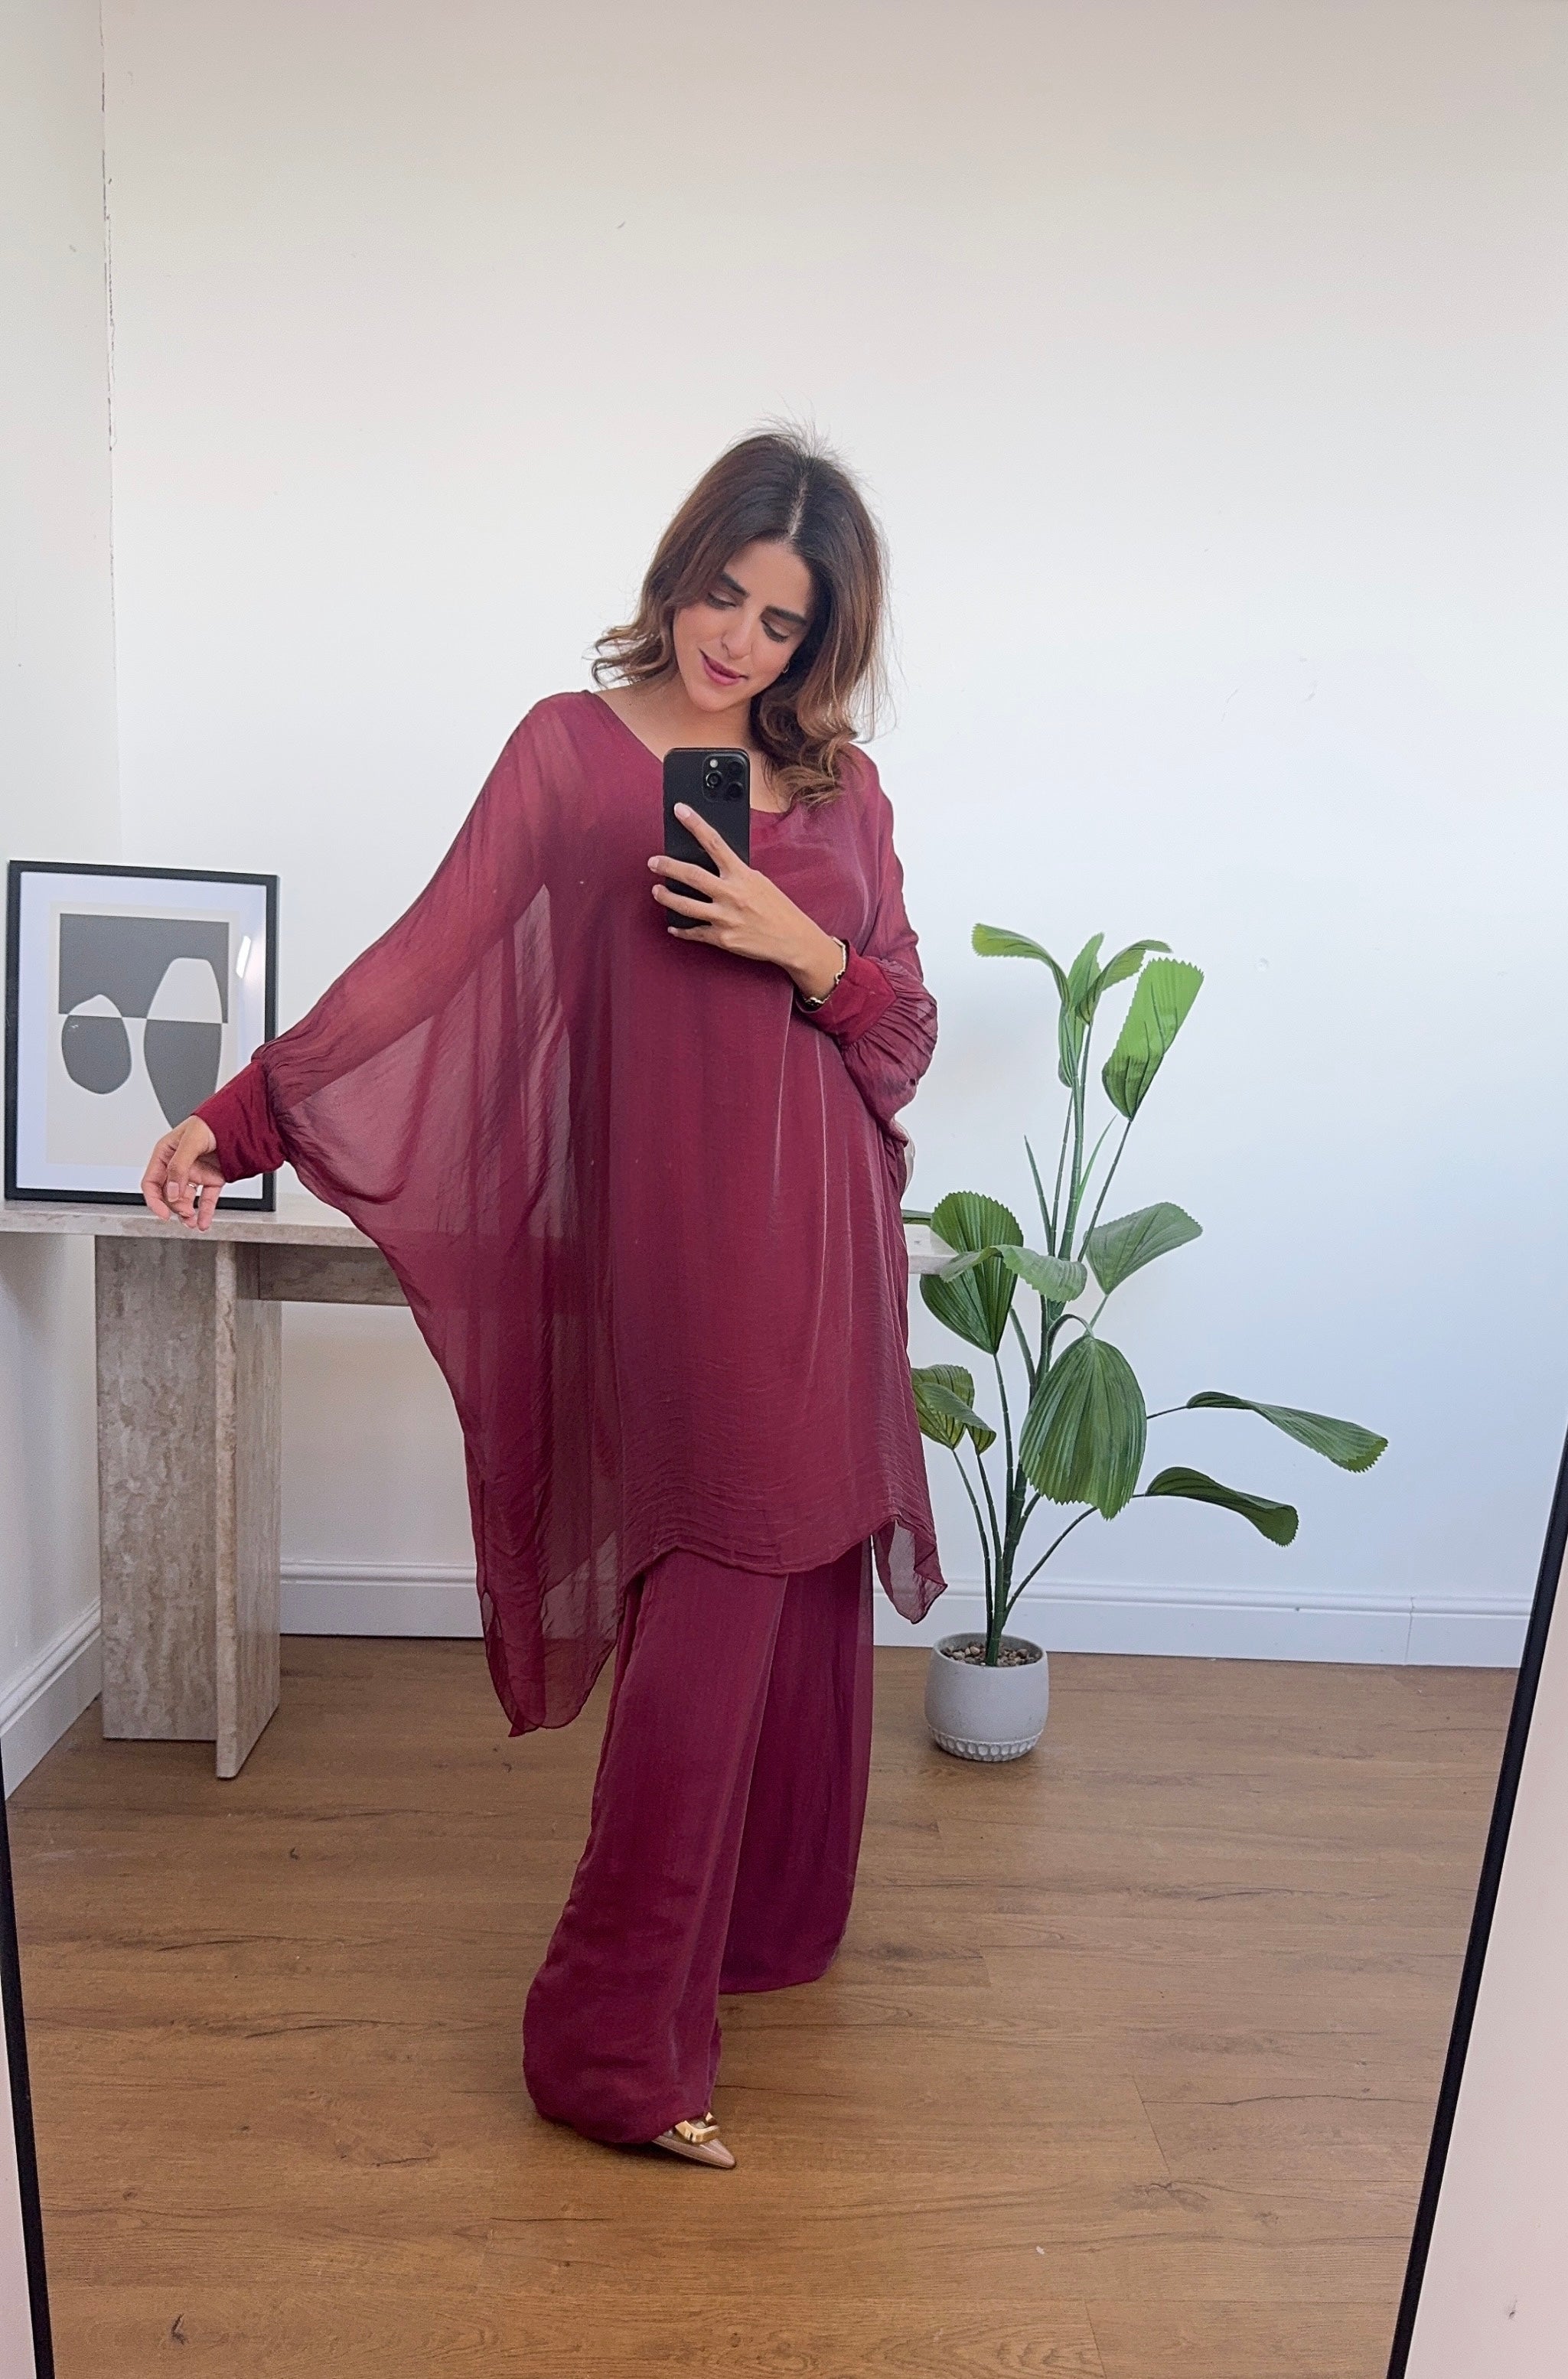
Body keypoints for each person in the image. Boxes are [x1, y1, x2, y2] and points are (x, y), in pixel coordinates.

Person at [141, 429, 947, 2169]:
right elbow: (421, 961)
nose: (736, 642)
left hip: (827, 1242)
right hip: (682, 1256)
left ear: (821, 639)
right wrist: (237, 1114)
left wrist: (798, 943)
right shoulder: (568, 756)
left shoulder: (844, 793)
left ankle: (757, 1933)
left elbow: (898, 1038)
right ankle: (601, 2041)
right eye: (721, 594)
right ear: (676, 573)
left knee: (800, 1595)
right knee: (711, 1598)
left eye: (782, 622)